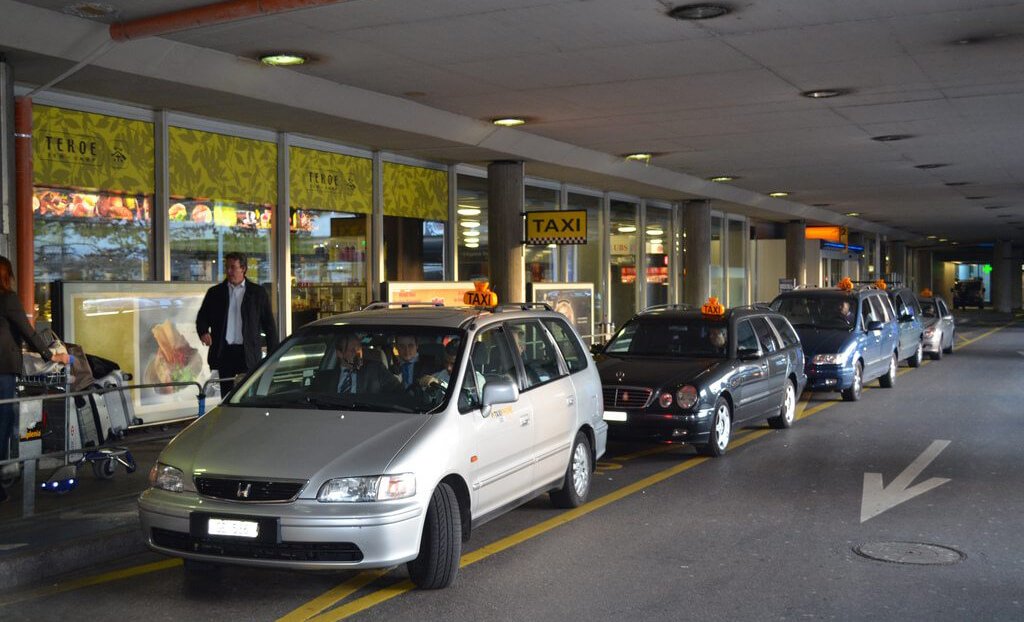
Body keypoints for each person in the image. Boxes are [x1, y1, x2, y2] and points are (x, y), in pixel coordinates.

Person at [0, 256, 69, 503]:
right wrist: (52, 355)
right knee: (4, 421)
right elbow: (27, 331)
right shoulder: (7, 298)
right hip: (3, 370)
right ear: (7, 277)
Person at [196, 252, 279, 394]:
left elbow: (269, 326)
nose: (229, 271)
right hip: (224, 352)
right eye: (227, 267)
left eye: (233, 267)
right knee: (226, 394)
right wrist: (203, 331)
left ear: (243, 269)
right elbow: (202, 317)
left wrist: (273, 356)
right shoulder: (215, 293)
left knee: (248, 393)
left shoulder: (257, 293)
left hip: (248, 352)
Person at [314, 333, 404, 396]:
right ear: (340, 354)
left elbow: (399, 390)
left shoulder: (376, 370)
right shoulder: (324, 378)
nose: (357, 353)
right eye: (352, 350)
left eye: (359, 349)